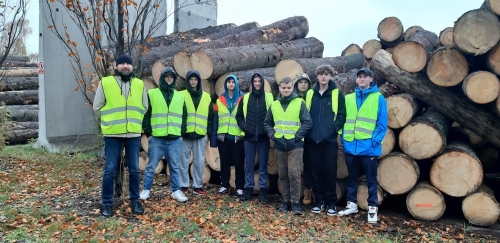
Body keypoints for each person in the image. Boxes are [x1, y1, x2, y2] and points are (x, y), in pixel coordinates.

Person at [93, 54, 147, 217]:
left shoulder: (139, 84)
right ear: (116, 67)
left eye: (128, 64)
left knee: (135, 170)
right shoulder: (106, 82)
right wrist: (110, 120)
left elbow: (145, 106)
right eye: (122, 63)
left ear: (132, 67)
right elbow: (97, 106)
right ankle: (107, 204)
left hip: (133, 133)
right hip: (112, 134)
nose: (125, 66)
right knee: (110, 169)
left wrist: (135, 121)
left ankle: (135, 202)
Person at [338, 67, 388, 224]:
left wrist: (374, 141)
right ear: (356, 80)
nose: (362, 79)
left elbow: (382, 123)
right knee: (351, 178)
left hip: (369, 147)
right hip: (351, 146)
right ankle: (351, 204)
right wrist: (344, 139)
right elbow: (342, 120)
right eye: (359, 77)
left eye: (365, 77)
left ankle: (372, 208)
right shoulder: (348, 98)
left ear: (371, 79)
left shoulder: (379, 98)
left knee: (371, 179)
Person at [264, 77, 312, 215]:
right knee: (283, 175)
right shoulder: (274, 104)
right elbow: (267, 122)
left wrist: (297, 136)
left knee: (294, 174)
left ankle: (296, 203)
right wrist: (273, 136)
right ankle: (286, 202)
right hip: (280, 144)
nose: (286, 90)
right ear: (279, 88)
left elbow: (307, 122)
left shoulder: (299, 102)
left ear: (292, 88)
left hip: (295, 145)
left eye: (288, 88)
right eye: (283, 88)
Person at [139, 67, 188, 202]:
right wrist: (149, 134)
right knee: (151, 166)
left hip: (174, 138)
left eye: (171, 77)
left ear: (174, 79)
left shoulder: (180, 96)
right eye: (166, 76)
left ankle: (176, 191)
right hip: (157, 138)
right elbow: (146, 115)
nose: (169, 79)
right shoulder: (152, 94)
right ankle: (146, 190)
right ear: (162, 78)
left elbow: (184, 117)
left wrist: (181, 135)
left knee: (175, 166)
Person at [305, 65, 346, 216]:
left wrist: (333, 130)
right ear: (317, 76)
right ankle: (319, 201)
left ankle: (331, 203)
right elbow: (305, 115)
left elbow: (342, 115)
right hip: (312, 141)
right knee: (315, 172)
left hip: (329, 141)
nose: (323, 76)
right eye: (321, 74)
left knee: (329, 172)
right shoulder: (310, 94)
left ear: (330, 76)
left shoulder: (336, 94)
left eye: (326, 74)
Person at [235, 73, 274, 202]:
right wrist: (246, 128)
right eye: (255, 81)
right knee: (249, 165)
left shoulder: (269, 97)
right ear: (252, 83)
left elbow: (273, 116)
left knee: (263, 165)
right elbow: (239, 116)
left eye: (259, 81)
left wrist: (267, 130)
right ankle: (249, 189)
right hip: (249, 137)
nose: (257, 83)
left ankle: (263, 191)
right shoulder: (245, 98)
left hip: (263, 137)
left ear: (262, 83)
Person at [179, 70, 213, 196]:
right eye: (191, 79)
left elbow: (210, 117)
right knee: (183, 161)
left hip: (201, 134)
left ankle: (197, 186)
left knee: (199, 161)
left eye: (195, 79)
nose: (193, 82)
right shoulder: (181, 95)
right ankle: (183, 185)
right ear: (187, 81)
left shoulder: (206, 96)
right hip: (185, 134)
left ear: (199, 81)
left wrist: (208, 132)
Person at [214, 75, 246, 197]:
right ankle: (224, 185)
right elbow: (216, 119)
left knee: (239, 163)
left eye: (233, 82)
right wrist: (215, 136)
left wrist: (244, 133)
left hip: (237, 137)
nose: (231, 84)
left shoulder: (243, 98)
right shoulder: (220, 99)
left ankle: (239, 187)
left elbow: (245, 117)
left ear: (236, 84)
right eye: (229, 82)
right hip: (223, 137)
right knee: (224, 162)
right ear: (226, 84)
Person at [293, 73, 314, 205]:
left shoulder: (313, 98)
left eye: (305, 82)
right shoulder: (291, 98)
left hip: (310, 137)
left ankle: (308, 190)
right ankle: (294, 192)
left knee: (309, 166)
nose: (303, 84)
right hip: (294, 137)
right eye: (300, 82)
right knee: (294, 166)